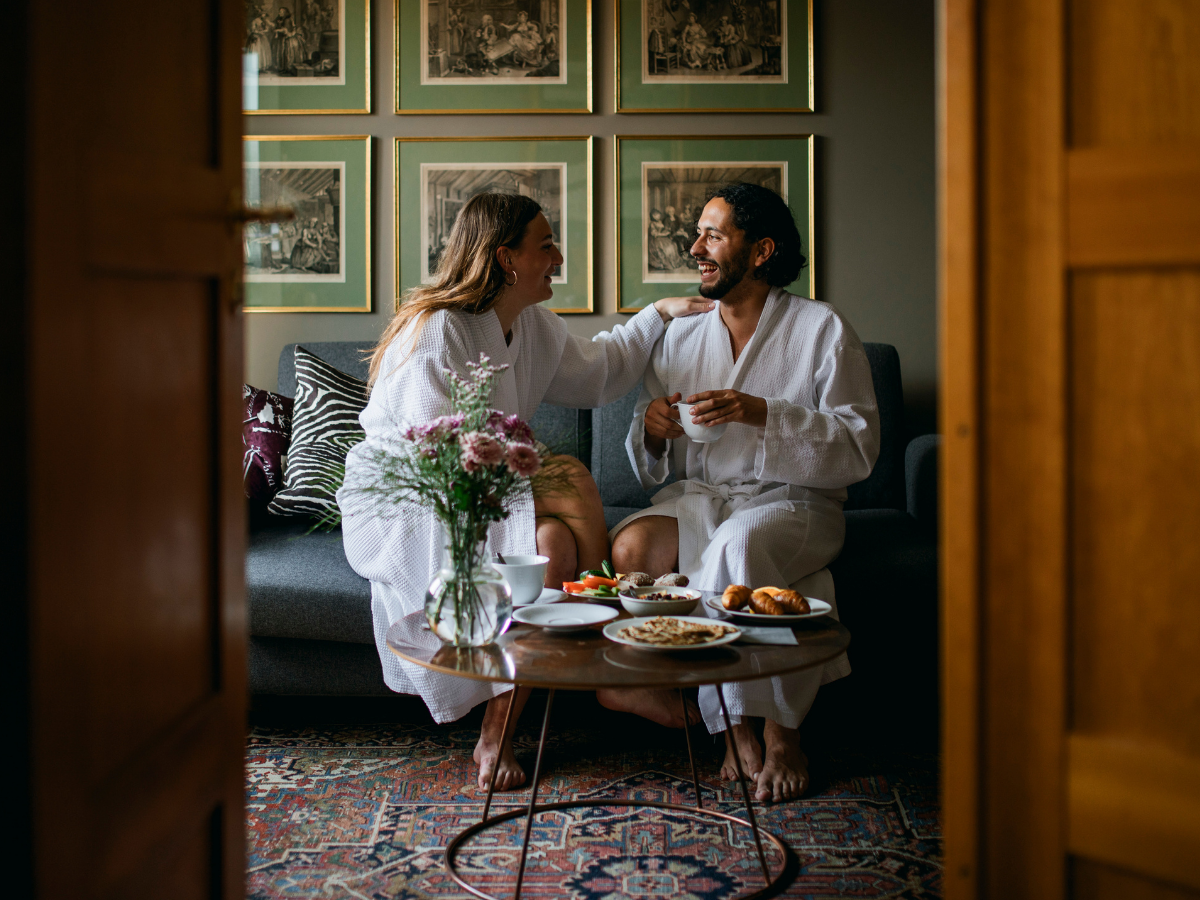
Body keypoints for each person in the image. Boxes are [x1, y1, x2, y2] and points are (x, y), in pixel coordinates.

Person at [338, 193, 714, 793]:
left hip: (486, 482)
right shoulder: (438, 330)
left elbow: (598, 374)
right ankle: (616, 669)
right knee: (570, 479)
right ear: (505, 258)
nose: (559, 257)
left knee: (552, 548)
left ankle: (499, 732)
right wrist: (524, 471)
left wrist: (658, 314)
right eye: (546, 245)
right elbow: (436, 453)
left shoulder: (532, 326)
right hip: (416, 500)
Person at [610, 183, 880, 803]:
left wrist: (764, 413)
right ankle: (701, 707)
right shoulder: (682, 336)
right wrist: (653, 431)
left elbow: (859, 446)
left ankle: (770, 732)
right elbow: (673, 452)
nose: (696, 247)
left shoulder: (821, 329)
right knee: (631, 550)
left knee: (739, 544)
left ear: (761, 251)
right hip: (708, 494)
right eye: (698, 233)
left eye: (713, 235)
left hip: (797, 500)